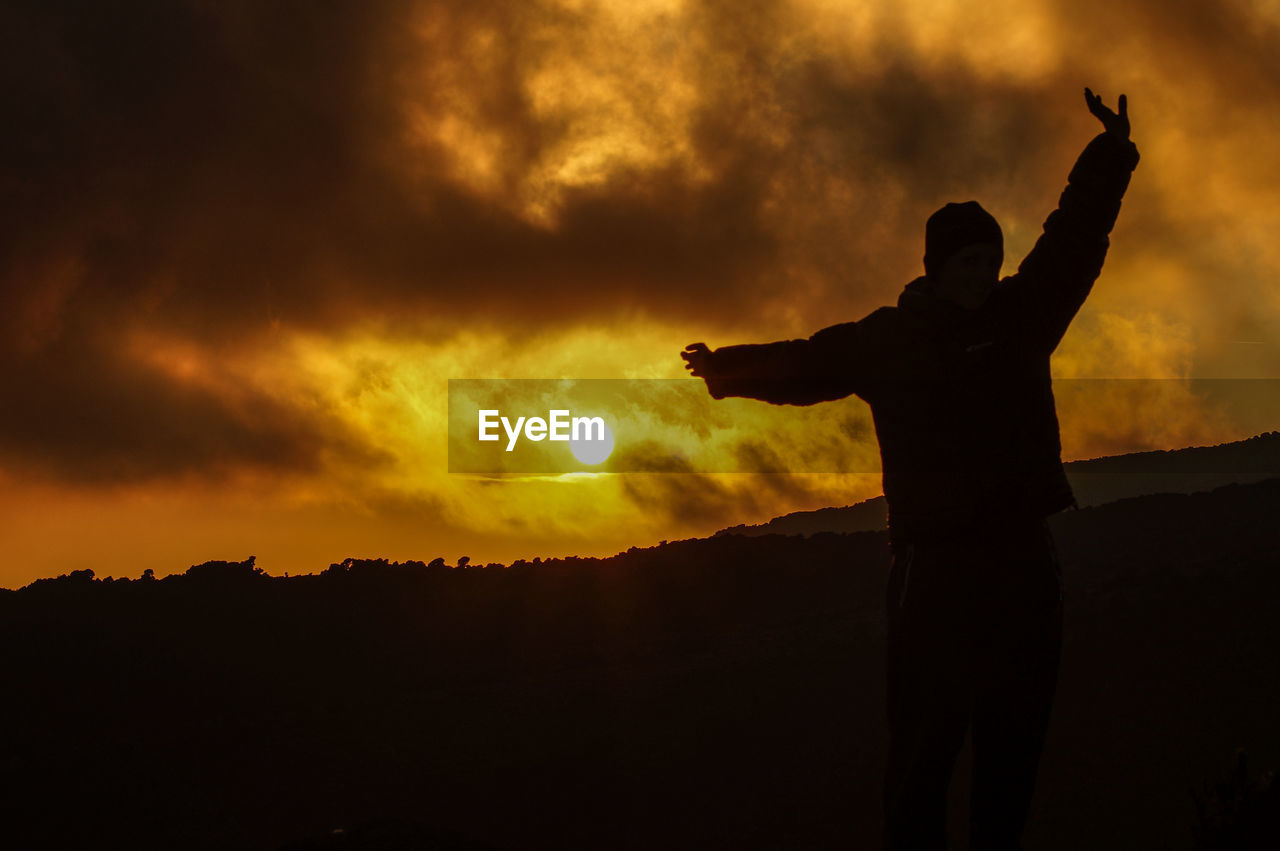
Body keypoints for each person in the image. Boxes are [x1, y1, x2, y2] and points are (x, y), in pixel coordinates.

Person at [681, 88, 1139, 850]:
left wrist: (1112, 152)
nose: (982, 272)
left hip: (1024, 568)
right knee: (922, 758)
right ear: (936, 266)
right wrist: (724, 368)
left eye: (991, 259)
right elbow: (808, 362)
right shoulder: (888, 341)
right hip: (934, 574)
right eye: (969, 260)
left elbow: (1075, 237)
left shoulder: (1023, 318)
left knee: (1011, 757)